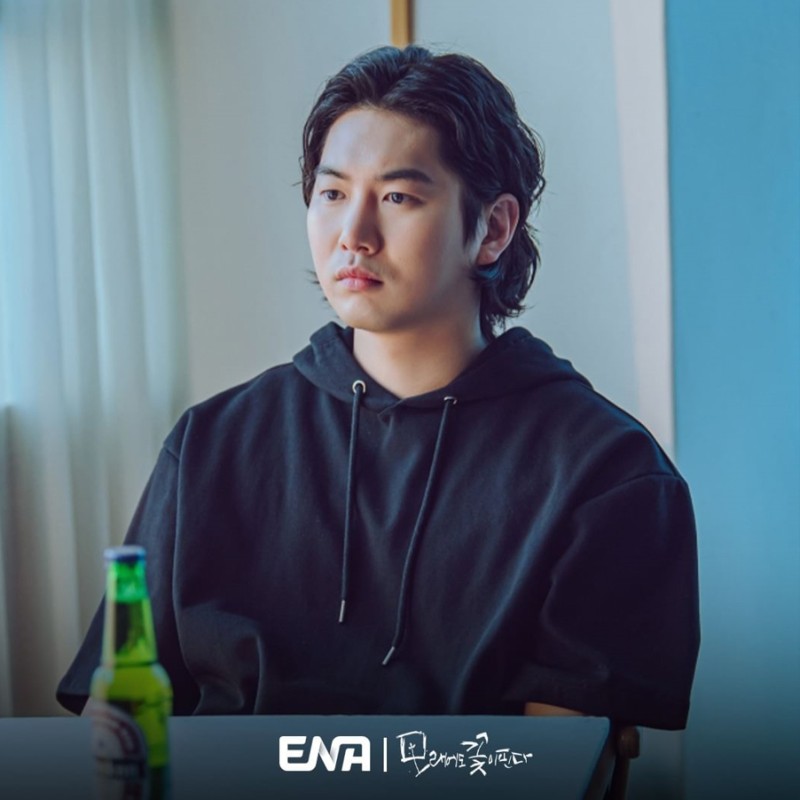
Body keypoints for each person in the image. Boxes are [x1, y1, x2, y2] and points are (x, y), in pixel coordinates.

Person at [57, 45, 699, 729]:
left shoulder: (607, 471)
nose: (354, 236)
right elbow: (117, 723)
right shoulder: (211, 444)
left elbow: (555, 766)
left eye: (397, 197)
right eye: (332, 194)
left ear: (493, 229)